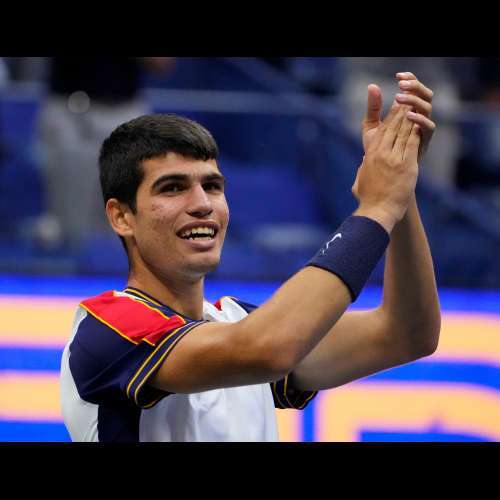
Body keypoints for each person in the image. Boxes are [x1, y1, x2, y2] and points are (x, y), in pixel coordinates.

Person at [60, 72, 440, 442]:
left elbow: (407, 334)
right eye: (172, 188)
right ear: (121, 217)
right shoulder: (107, 327)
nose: (202, 204)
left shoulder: (237, 322)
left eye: (212, 186)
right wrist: (377, 206)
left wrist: (399, 185)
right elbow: (267, 349)